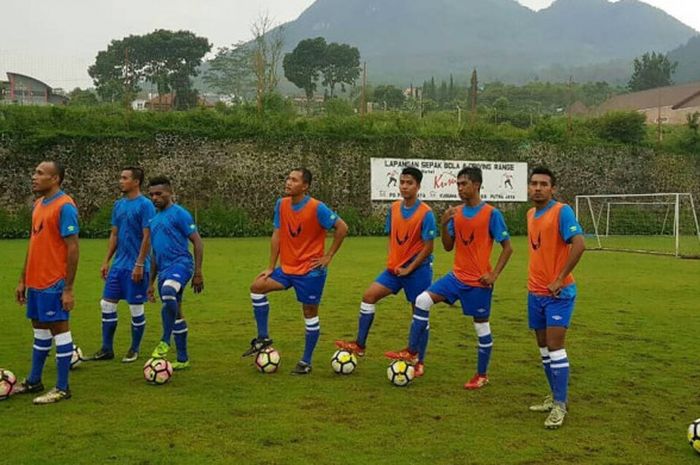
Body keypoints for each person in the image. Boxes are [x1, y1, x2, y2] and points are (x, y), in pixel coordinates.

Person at [385, 166, 512, 389]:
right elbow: (447, 246)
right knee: (422, 301)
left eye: (464, 184)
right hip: (456, 277)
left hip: (478, 283)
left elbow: (508, 248)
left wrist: (494, 274)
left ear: (477, 186)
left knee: (481, 326)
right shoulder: (456, 213)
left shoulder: (492, 214)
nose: (460, 188)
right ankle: (413, 352)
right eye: (458, 184)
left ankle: (481, 375)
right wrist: (444, 223)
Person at [244, 168, 348, 375]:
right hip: (287, 269)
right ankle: (263, 337)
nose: (288, 182)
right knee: (257, 287)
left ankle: (306, 361)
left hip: (310, 272)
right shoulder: (281, 204)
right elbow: (277, 235)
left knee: (309, 313)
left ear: (305, 186)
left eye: (294, 180)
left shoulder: (317, 207)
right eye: (288, 178)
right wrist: (271, 267)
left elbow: (342, 227)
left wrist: (328, 256)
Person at [335, 167, 436, 376]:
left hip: (417, 270)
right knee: (368, 296)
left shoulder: (426, 213)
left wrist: (409, 267)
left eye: (409, 183)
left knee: (418, 313)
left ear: (418, 186)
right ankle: (360, 345)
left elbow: (428, 247)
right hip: (394, 270)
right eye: (402, 182)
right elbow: (393, 237)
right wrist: (394, 261)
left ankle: (418, 360)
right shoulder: (394, 208)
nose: (404, 186)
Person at [14, 160, 80, 404]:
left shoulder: (65, 206)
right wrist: (23, 279)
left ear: (55, 179)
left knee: (60, 330)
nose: (34, 176)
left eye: (40, 173)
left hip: (54, 281)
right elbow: (34, 244)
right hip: (36, 281)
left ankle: (62, 388)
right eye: (35, 172)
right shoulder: (39, 204)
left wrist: (68, 288)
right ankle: (34, 381)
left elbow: (73, 248)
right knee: (40, 329)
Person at [525, 167, 585, 429]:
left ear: (553, 188)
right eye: (534, 183)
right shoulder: (530, 214)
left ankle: (560, 405)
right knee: (543, 346)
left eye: (543, 184)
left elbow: (580, 244)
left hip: (559, 293)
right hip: (535, 292)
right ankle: (553, 396)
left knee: (555, 346)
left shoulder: (562, 211)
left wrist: (560, 278)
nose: (537, 188)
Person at [91, 167, 155, 363]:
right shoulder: (118, 205)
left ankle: (134, 349)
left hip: (136, 265)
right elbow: (115, 234)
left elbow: (148, 236)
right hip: (119, 265)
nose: (120, 181)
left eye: (124, 178)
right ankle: (106, 349)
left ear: (136, 182)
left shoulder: (146, 205)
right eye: (120, 177)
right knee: (106, 304)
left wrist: (139, 263)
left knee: (135, 307)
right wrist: (106, 260)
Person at [147, 176, 204, 370]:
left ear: (169, 192)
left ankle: (164, 340)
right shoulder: (153, 220)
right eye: (152, 195)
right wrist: (150, 282)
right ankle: (182, 359)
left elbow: (197, 241)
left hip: (181, 264)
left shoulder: (180, 214)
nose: (155, 198)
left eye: (159, 194)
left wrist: (198, 272)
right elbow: (155, 253)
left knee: (169, 292)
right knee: (176, 312)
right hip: (163, 270)